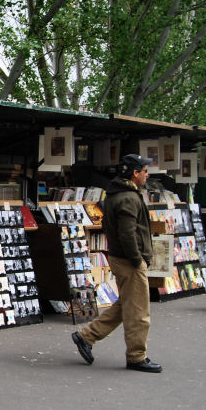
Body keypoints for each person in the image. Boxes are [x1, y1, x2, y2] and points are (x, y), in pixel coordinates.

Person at [72, 154, 162, 373]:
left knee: (127, 304)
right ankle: (136, 356)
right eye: (144, 171)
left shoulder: (117, 194)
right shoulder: (128, 198)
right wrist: (137, 259)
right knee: (139, 311)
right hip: (128, 260)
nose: (147, 174)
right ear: (135, 173)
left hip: (120, 257)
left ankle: (86, 336)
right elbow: (128, 233)